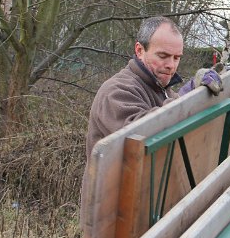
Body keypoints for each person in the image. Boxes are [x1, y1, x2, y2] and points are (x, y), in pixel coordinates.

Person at [86, 16, 222, 158]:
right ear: (139, 51)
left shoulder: (163, 89)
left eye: (176, 58)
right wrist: (187, 100)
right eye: (163, 56)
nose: (171, 65)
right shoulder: (116, 90)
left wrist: (198, 92)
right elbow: (142, 137)